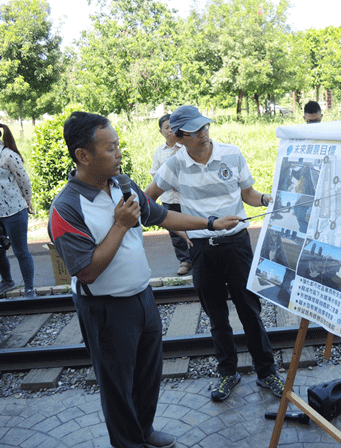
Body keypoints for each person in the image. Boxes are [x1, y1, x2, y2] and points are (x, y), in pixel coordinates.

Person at [47, 111, 240, 448]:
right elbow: (86, 270)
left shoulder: (123, 185)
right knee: (117, 386)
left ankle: (144, 431)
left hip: (141, 297)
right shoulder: (66, 208)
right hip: (105, 308)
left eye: (118, 146)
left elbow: (161, 214)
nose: (119, 153)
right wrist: (120, 225)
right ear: (83, 155)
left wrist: (209, 223)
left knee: (148, 374)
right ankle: (129, 442)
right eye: (111, 149)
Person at [145, 105, 285, 402]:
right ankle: (227, 373)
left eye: (205, 127)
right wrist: (178, 227)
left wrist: (265, 199)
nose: (204, 134)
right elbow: (148, 201)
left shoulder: (231, 154)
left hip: (236, 245)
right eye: (195, 131)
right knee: (217, 317)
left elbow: (248, 194)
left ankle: (267, 372)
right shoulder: (173, 166)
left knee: (250, 311)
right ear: (179, 137)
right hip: (202, 251)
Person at [150, 114, 191, 276]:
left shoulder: (186, 149)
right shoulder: (159, 152)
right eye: (166, 128)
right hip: (168, 198)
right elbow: (155, 173)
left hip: (187, 198)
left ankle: (197, 257)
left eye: (172, 127)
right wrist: (167, 182)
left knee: (193, 227)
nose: (170, 131)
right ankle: (184, 261)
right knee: (175, 231)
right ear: (161, 131)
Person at [0, 123, 35, 298]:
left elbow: (25, 181)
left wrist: (28, 200)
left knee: (20, 251)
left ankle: (29, 289)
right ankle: (7, 281)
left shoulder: (8, 155)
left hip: (14, 211)